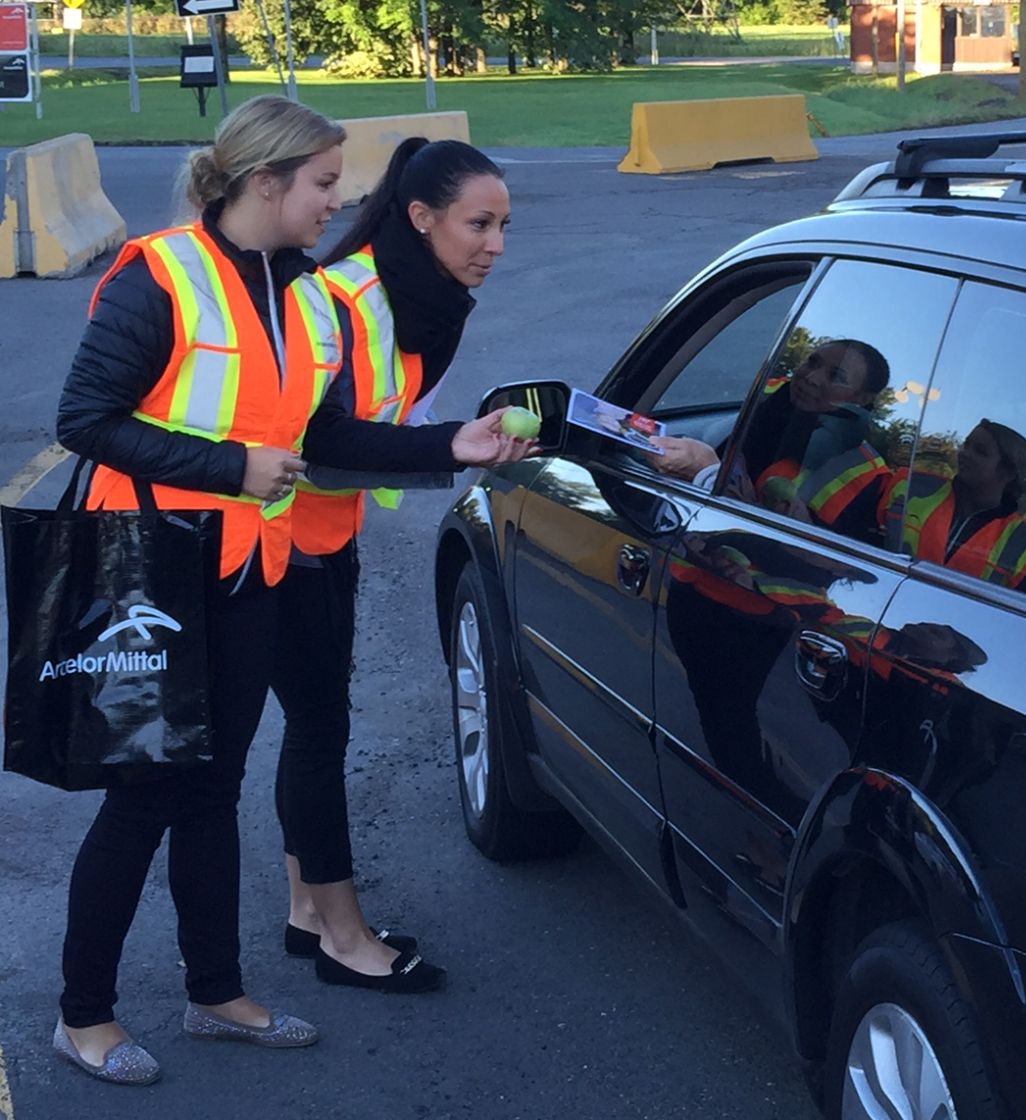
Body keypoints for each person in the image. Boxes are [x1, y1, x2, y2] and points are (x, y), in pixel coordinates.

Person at [51, 96, 532, 1084]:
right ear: (265, 182)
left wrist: (453, 443)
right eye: (323, 183)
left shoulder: (307, 295)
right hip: (145, 573)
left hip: (248, 569)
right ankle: (83, 1015)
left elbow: (327, 437)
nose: (337, 203)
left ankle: (216, 993)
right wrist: (231, 468)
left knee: (214, 789)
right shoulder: (161, 274)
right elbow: (85, 417)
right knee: (143, 797)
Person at [272, 137, 510, 993]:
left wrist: (452, 439)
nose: (495, 245)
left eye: (504, 226)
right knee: (317, 733)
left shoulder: (432, 305)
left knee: (311, 729)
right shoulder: (340, 298)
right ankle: (343, 935)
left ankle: (308, 912)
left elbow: (391, 425)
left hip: (323, 534)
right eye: (478, 224)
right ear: (420, 218)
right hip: (269, 541)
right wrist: (449, 445)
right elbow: (322, 439)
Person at [652, 338, 891, 535]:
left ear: (862, 399)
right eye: (812, 362)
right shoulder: (771, 397)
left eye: (836, 376)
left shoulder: (864, 474)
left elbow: (818, 562)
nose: (811, 377)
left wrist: (707, 474)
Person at [878, 419, 1026, 597]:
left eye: (980, 451)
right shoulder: (910, 485)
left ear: (1007, 472)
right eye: (966, 444)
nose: (964, 453)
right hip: (880, 603)